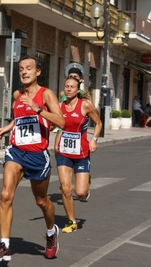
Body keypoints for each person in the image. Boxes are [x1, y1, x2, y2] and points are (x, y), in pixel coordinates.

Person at [0, 55, 65, 262]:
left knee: (41, 200)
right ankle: (4, 246)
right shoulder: (17, 95)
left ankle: (51, 233)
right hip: (16, 151)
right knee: (5, 195)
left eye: (28, 68)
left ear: (38, 72)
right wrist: (8, 127)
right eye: (21, 68)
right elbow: (22, 119)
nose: (24, 72)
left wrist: (38, 108)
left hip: (38, 155)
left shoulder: (46, 94)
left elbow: (62, 122)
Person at [55, 77, 102, 233]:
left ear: (78, 90)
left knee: (80, 192)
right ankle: (71, 221)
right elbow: (58, 126)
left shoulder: (85, 105)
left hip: (81, 153)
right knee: (66, 189)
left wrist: (94, 140)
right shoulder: (60, 106)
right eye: (66, 86)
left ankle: (85, 181)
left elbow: (99, 123)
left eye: (72, 87)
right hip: (64, 153)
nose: (69, 89)